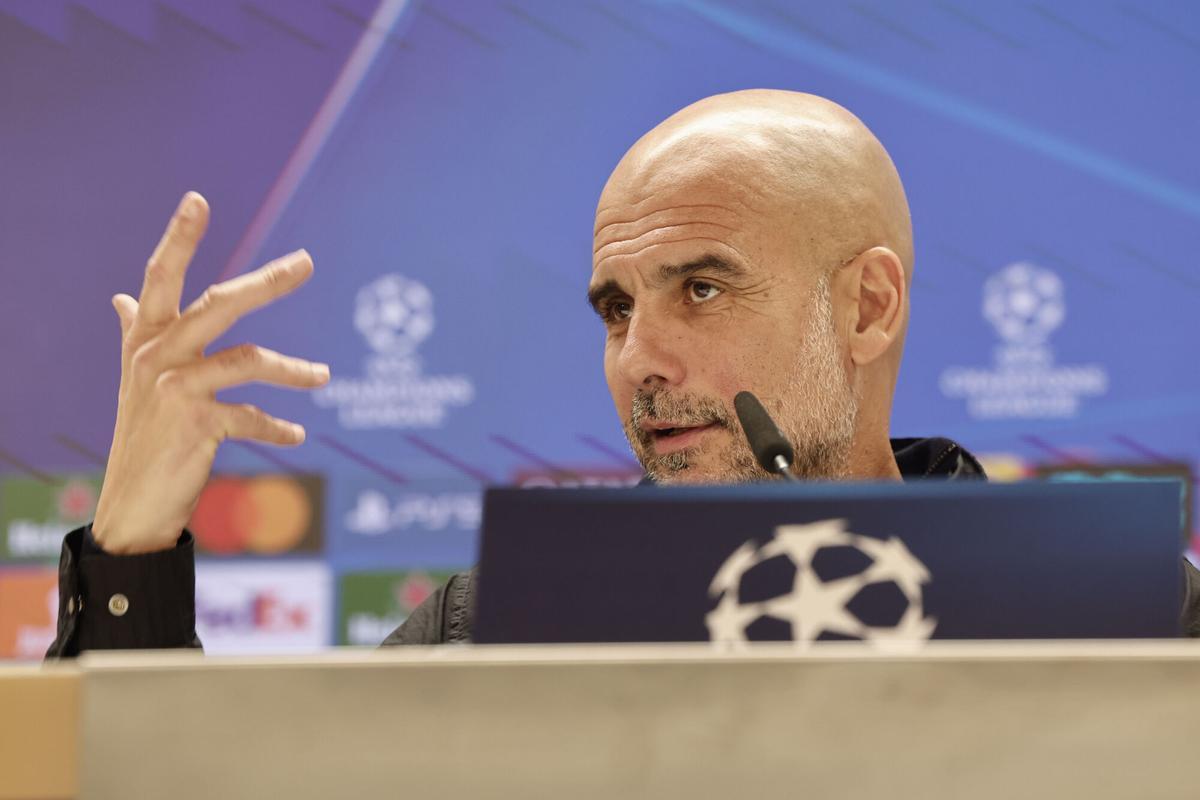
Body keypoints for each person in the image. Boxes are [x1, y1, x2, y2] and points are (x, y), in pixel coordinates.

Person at [45, 90, 1200, 655]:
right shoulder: (503, 625)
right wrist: (131, 548)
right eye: (616, 308)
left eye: (702, 289)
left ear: (867, 306)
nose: (639, 357)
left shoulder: (1129, 612)